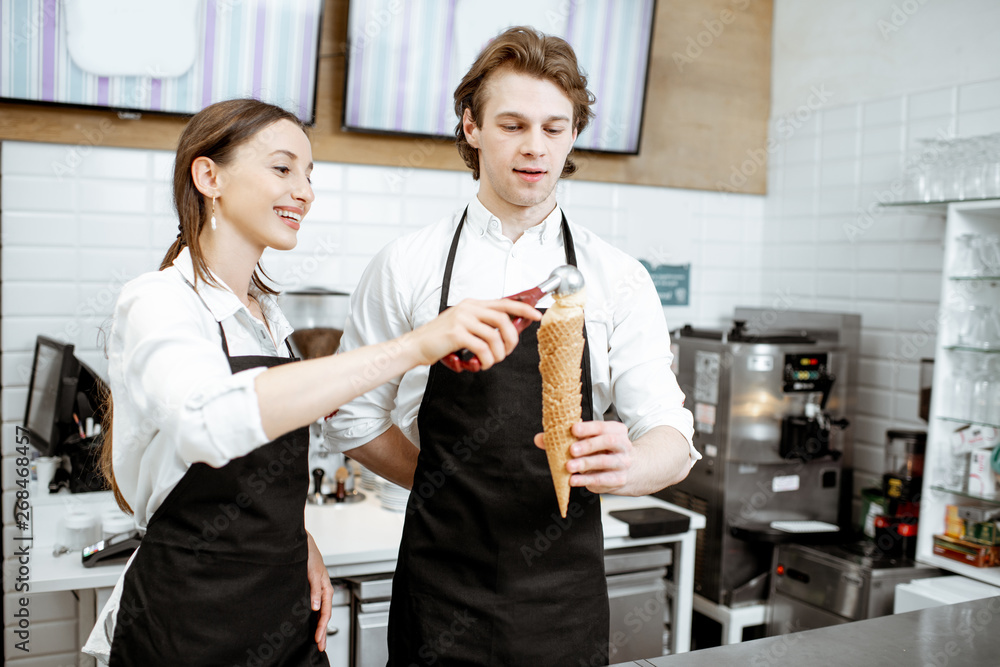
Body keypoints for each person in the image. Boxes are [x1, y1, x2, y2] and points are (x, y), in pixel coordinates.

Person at [82, 98, 539, 667]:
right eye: (282, 168)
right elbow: (210, 421)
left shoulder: (269, 319)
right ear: (208, 176)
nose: (305, 190)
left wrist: (301, 539)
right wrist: (416, 346)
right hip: (187, 623)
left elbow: (267, 461)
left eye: (309, 174)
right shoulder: (158, 302)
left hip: (285, 616)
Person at [327, 26, 700, 666]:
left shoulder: (618, 277)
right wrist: (446, 479)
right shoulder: (406, 265)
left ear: (574, 134)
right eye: (513, 125)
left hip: (561, 601)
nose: (535, 148)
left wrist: (632, 466)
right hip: (439, 593)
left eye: (555, 128)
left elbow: (672, 435)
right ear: (471, 126)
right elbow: (354, 418)